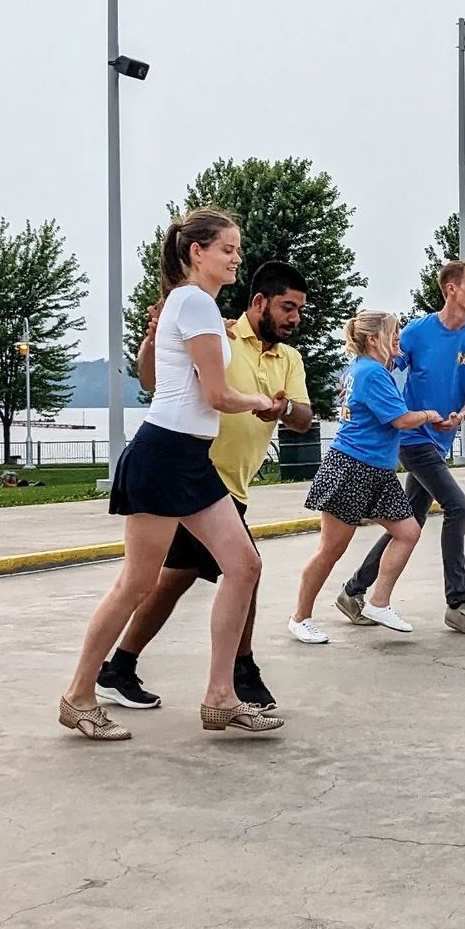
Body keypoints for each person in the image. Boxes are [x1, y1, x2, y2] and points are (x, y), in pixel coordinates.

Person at [59, 208, 282, 741]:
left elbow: (160, 378)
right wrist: (261, 403)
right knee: (136, 583)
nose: (236, 257)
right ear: (196, 252)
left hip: (186, 458)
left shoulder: (191, 305)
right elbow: (217, 395)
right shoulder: (196, 303)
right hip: (164, 455)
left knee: (244, 565)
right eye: (227, 249)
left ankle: (221, 697)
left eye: (237, 249)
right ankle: (78, 696)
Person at [94, 261, 313, 709]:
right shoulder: (219, 334)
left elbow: (305, 419)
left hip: (230, 482)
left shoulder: (289, 359)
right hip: (197, 475)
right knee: (242, 568)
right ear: (259, 302)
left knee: (171, 579)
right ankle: (240, 673)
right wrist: (154, 341)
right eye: (287, 307)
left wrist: (284, 407)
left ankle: (116, 668)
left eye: (299, 310)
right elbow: (155, 382)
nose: (295, 318)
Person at [337, 261, 465, 636]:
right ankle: (457, 604)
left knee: (411, 522)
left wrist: (460, 416)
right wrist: (383, 406)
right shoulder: (418, 331)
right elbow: (382, 363)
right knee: (458, 507)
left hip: (440, 437)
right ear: (450, 289)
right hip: (413, 438)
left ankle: (353, 591)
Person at [293, 311, 439, 636]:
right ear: (373, 338)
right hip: (352, 467)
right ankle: (300, 618)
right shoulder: (372, 372)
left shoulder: (361, 370)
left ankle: (378, 603)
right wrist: (429, 414)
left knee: (408, 532)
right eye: (393, 333)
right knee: (331, 549)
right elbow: (400, 420)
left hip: (378, 471)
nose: (398, 338)